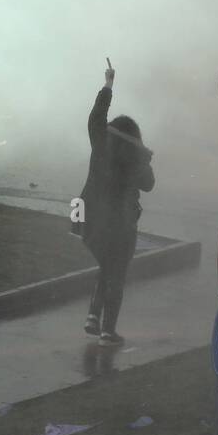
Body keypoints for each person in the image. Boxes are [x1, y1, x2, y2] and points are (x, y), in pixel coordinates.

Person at [78, 63, 155, 347]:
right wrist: (144, 158)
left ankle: (92, 316)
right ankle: (108, 330)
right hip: (121, 225)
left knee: (107, 265)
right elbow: (148, 184)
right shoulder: (135, 158)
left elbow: (96, 117)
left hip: (92, 220)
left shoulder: (101, 143)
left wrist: (109, 85)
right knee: (116, 273)